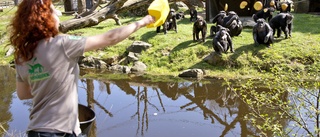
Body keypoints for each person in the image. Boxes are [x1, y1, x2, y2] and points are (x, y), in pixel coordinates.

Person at [8, 0, 155, 136]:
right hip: (60, 131)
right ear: (45, 18)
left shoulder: (22, 55)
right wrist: (141, 22)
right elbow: (110, 38)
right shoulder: (62, 44)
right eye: (54, 11)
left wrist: (48, 86)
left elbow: (23, 94)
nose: (58, 15)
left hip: (35, 130)